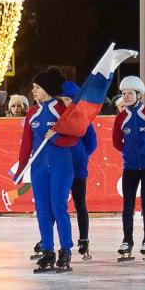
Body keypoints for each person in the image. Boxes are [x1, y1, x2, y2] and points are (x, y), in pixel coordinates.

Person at [17, 68, 84, 273]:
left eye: (37, 87)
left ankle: (65, 250)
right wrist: (20, 170)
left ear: (47, 89)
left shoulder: (62, 110)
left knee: (58, 207)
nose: (33, 91)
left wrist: (55, 137)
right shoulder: (32, 113)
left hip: (61, 167)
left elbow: (75, 136)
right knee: (43, 211)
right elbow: (26, 144)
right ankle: (47, 251)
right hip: (38, 169)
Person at [112, 75, 145, 259]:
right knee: (127, 205)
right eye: (124, 93)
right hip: (130, 167)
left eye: (130, 93)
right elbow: (116, 142)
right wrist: (129, 152)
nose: (126, 96)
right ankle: (127, 240)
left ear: (139, 95)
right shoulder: (121, 118)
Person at [61, 80, 98, 260]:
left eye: (68, 99)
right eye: (63, 99)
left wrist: (81, 156)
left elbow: (92, 143)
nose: (65, 103)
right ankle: (48, 240)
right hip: (60, 168)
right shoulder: (57, 117)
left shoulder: (83, 119)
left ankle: (84, 239)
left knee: (79, 203)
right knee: (57, 204)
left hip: (77, 169)